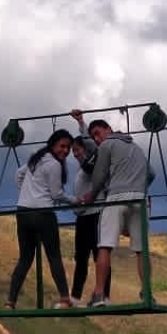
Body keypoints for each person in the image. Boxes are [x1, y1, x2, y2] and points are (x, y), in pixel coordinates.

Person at [79, 117, 156, 308]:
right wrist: (141, 188)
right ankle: (147, 293)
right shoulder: (136, 148)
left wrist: (92, 194)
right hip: (140, 199)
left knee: (104, 245)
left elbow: (99, 174)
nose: (97, 139)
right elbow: (152, 173)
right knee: (141, 249)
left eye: (98, 133)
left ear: (109, 129)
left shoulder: (107, 145)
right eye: (93, 136)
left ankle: (99, 295)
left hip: (116, 197)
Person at [6, 129, 76, 310]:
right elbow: (56, 194)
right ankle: (64, 298)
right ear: (53, 144)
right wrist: (75, 200)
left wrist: (25, 193)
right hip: (43, 213)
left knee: (25, 258)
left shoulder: (35, 158)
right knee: (53, 256)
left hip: (23, 212)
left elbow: (18, 174)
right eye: (63, 146)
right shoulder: (54, 165)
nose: (65, 151)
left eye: (68, 147)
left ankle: (10, 301)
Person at [68, 109, 112, 304]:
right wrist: (76, 207)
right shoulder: (79, 174)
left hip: (97, 215)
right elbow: (78, 198)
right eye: (73, 152)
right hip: (83, 217)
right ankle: (75, 297)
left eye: (78, 150)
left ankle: (104, 295)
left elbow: (92, 147)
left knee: (99, 256)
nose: (76, 154)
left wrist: (81, 122)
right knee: (81, 258)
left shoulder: (94, 165)